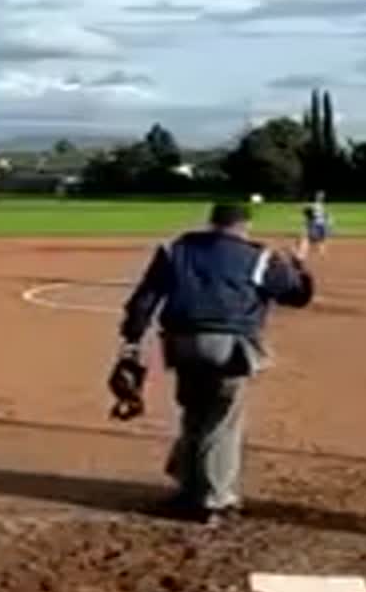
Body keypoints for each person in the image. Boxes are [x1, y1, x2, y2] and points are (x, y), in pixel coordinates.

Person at [108, 203, 315, 524]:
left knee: (194, 413)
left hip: (181, 343)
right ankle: (214, 500)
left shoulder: (175, 249)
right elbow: (297, 296)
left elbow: (144, 300)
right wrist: (299, 264)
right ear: (245, 225)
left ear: (212, 222)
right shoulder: (258, 256)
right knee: (222, 420)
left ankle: (188, 489)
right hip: (229, 346)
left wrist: (131, 343)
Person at [298, 191, 331, 258]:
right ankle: (322, 252)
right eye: (320, 196)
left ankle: (302, 254)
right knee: (320, 240)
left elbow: (306, 210)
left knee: (308, 239)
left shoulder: (316, 205)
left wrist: (304, 208)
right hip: (320, 225)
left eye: (320, 196)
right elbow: (324, 215)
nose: (320, 197)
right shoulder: (319, 206)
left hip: (316, 225)